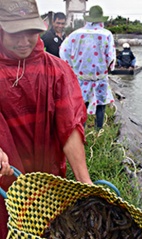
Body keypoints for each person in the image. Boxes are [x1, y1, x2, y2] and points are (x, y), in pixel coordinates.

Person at [0, 0, 92, 238]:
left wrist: (84, 182)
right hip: (4, 176)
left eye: (30, 33)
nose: (24, 42)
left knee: (48, 227)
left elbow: (69, 126)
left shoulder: (56, 70)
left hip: (46, 177)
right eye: (15, 34)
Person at [60, 5, 116, 130]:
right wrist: (108, 67)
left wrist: (71, 66)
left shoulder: (75, 34)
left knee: (81, 105)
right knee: (100, 106)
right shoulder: (106, 34)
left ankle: (81, 132)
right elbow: (111, 57)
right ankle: (98, 131)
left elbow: (64, 50)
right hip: (100, 77)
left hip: (81, 77)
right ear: (101, 20)